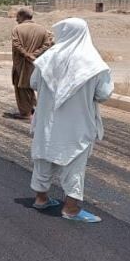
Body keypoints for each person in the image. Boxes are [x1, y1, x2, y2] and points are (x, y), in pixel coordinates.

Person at [29, 18, 113, 223]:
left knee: (44, 155)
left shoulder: (47, 58)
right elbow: (103, 94)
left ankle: (41, 199)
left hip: (47, 121)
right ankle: (71, 208)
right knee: (74, 163)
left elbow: (33, 83)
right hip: (77, 123)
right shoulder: (93, 63)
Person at [6, 7, 52, 119]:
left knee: (21, 87)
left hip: (21, 63)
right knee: (30, 85)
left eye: (17, 17)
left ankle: (25, 113)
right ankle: (31, 109)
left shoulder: (17, 29)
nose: (16, 19)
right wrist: (35, 54)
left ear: (22, 16)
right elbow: (47, 44)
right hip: (35, 63)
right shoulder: (43, 29)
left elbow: (16, 45)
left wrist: (26, 54)